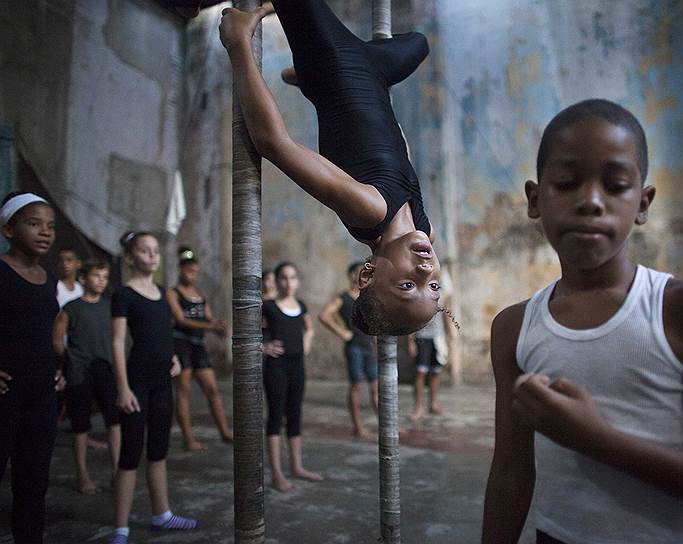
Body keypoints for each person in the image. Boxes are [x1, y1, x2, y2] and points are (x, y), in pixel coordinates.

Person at [482, 99, 683, 544]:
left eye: (616, 185)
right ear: (535, 199)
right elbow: (511, 471)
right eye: (567, 183)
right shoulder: (514, 327)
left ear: (642, 203)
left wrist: (597, 440)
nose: (590, 201)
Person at [219, 0, 442, 336]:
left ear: (367, 275)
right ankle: (306, 79)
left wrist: (239, 46)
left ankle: (310, 74)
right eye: (434, 287)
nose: (426, 270)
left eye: (409, 285)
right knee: (419, 43)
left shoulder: (368, 210)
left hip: (335, 62)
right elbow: (400, 154)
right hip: (375, 74)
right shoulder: (425, 228)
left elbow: (273, 143)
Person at [109, 232, 199, 544]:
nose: (152, 256)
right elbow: (119, 342)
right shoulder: (124, 294)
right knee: (130, 454)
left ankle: (161, 514)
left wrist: (173, 357)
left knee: (159, 450)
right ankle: (121, 527)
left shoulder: (162, 292)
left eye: (156, 251)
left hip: (163, 380)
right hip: (136, 382)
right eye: (145, 251)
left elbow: (163, 334)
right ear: (131, 257)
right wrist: (122, 387)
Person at [0, 191, 64, 544]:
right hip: (6, 393)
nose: (45, 232)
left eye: (50, 226)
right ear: (8, 230)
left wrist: (58, 368)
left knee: (33, 482)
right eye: (33, 223)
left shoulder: (49, 279)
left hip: (41, 395)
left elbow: (46, 333)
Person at [53, 258, 121, 495]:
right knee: (81, 426)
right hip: (79, 371)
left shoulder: (110, 306)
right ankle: (83, 476)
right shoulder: (71, 308)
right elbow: (56, 340)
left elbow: (118, 338)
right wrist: (70, 361)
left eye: (105, 277)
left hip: (106, 369)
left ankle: (116, 474)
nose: (102, 281)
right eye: (96, 276)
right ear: (83, 279)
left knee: (114, 423)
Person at [262, 261, 321, 492]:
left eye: (293, 278)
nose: (289, 282)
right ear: (277, 281)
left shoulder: (301, 305)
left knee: (295, 415)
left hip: (298, 366)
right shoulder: (268, 306)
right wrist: (262, 347)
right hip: (276, 367)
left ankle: (297, 467)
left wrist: (306, 342)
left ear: (297, 281)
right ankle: (276, 474)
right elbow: (244, 332)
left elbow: (310, 328)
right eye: (284, 278)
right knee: (276, 416)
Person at [168, 247, 232, 451]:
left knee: (212, 389)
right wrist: (209, 326)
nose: (192, 275)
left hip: (198, 345)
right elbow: (180, 319)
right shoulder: (173, 293)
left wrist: (218, 327)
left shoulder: (199, 294)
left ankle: (225, 431)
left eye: (195, 271)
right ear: (180, 270)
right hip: (181, 344)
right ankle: (188, 438)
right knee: (184, 390)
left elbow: (208, 318)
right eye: (188, 271)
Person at [319, 261, 378, 439]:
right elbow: (324, 315)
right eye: (360, 272)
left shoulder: (368, 297)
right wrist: (342, 332)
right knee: (356, 387)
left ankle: (387, 424)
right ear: (352, 275)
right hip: (354, 348)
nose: (364, 276)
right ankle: (358, 428)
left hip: (369, 347)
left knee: (376, 387)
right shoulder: (343, 298)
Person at [407, 309, 450, 422]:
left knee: (436, 372)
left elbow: (447, 314)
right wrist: (410, 341)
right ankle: (418, 408)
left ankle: (433, 404)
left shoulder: (445, 292)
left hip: (438, 338)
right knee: (420, 372)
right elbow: (412, 316)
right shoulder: (419, 291)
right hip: (421, 337)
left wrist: (449, 337)